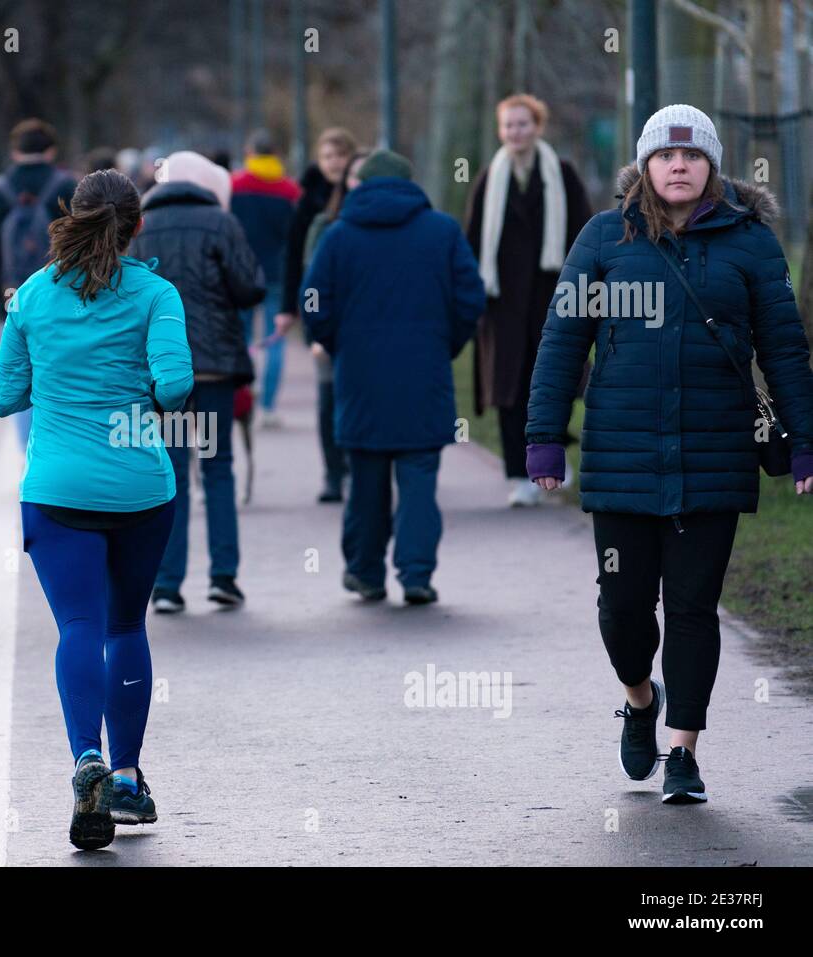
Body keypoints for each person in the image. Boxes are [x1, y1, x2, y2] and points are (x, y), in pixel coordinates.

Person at [527, 104, 813, 804]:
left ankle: (683, 748)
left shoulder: (750, 244)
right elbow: (563, 339)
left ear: (710, 165)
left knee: (692, 608)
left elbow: (783, 348)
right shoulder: (604, 238)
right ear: (646, 166)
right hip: (619, 456)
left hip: (714, 456)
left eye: (691, 154)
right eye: (665, 155)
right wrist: (543, 434)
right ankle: (639, 697)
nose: (678, 165)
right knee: (623, 606)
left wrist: (805, 440)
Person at [0, 169, 193, 850]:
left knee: (77, 623)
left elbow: (2, 396)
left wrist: (59, 381)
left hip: (56, 489)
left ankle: (86, 757)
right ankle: (129, 777)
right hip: (139, 487)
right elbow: (175, 386)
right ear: (138, 226)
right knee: (125, 625)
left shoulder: (33, 298)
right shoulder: (157, 295)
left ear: (72, 219)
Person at [301, 150, 484, 605]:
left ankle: (365, 572)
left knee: (365, 480)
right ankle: (416, 574)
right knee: (420, 476)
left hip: (360, 377)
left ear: (363, 184)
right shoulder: (442, 231)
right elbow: (470, 298)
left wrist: (337, 342)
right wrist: (446, 344)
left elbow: (312, 301)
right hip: (425, 374)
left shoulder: (339, 236)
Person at [131, 150, 266, 613]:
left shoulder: (141, 223)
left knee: (170, 472)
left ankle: (167, 584)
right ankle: (223, 577)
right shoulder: (221, 223)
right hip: (213, 369)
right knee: (217, 467)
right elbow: (250, 287)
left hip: (163, 371)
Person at [465, 93, 591, 506]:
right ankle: (519, 474)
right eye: (508, 125)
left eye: (523, 124)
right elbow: (472, 239)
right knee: (508, 389)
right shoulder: (489, 178)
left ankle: (554, 454)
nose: (515, 132)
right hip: (501, 306)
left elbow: (583, 235)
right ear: (501, 131)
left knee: (554, 382)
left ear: (537, 126)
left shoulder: (563, 175)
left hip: (551, 300)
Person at [0, 118, 78, 446]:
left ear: (14, 151)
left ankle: (29, 448)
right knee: (59, 369)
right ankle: (58, 439)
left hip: (12, 296)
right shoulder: (66, 186)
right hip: (60, 294)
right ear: (51, 150)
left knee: (21, 372)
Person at [277, 131, 360, 501]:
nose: (334, 163)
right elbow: (294, 258)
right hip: (324, 315)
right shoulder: (308, 203)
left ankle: (360, 467)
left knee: (358, 394)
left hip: (360, 315)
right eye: (327, 156)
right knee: (328, 395)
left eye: (340, 156)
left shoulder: (362, 199)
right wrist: (287, 309)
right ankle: (333, 472)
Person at [230, 129, 301, 427]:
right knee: (275, 340)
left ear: (250, 153)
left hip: (241, 273)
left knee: (241, 337)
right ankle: (269, 406)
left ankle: (243, 398)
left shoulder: (234, 186)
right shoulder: (291, 191)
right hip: (278, 273)